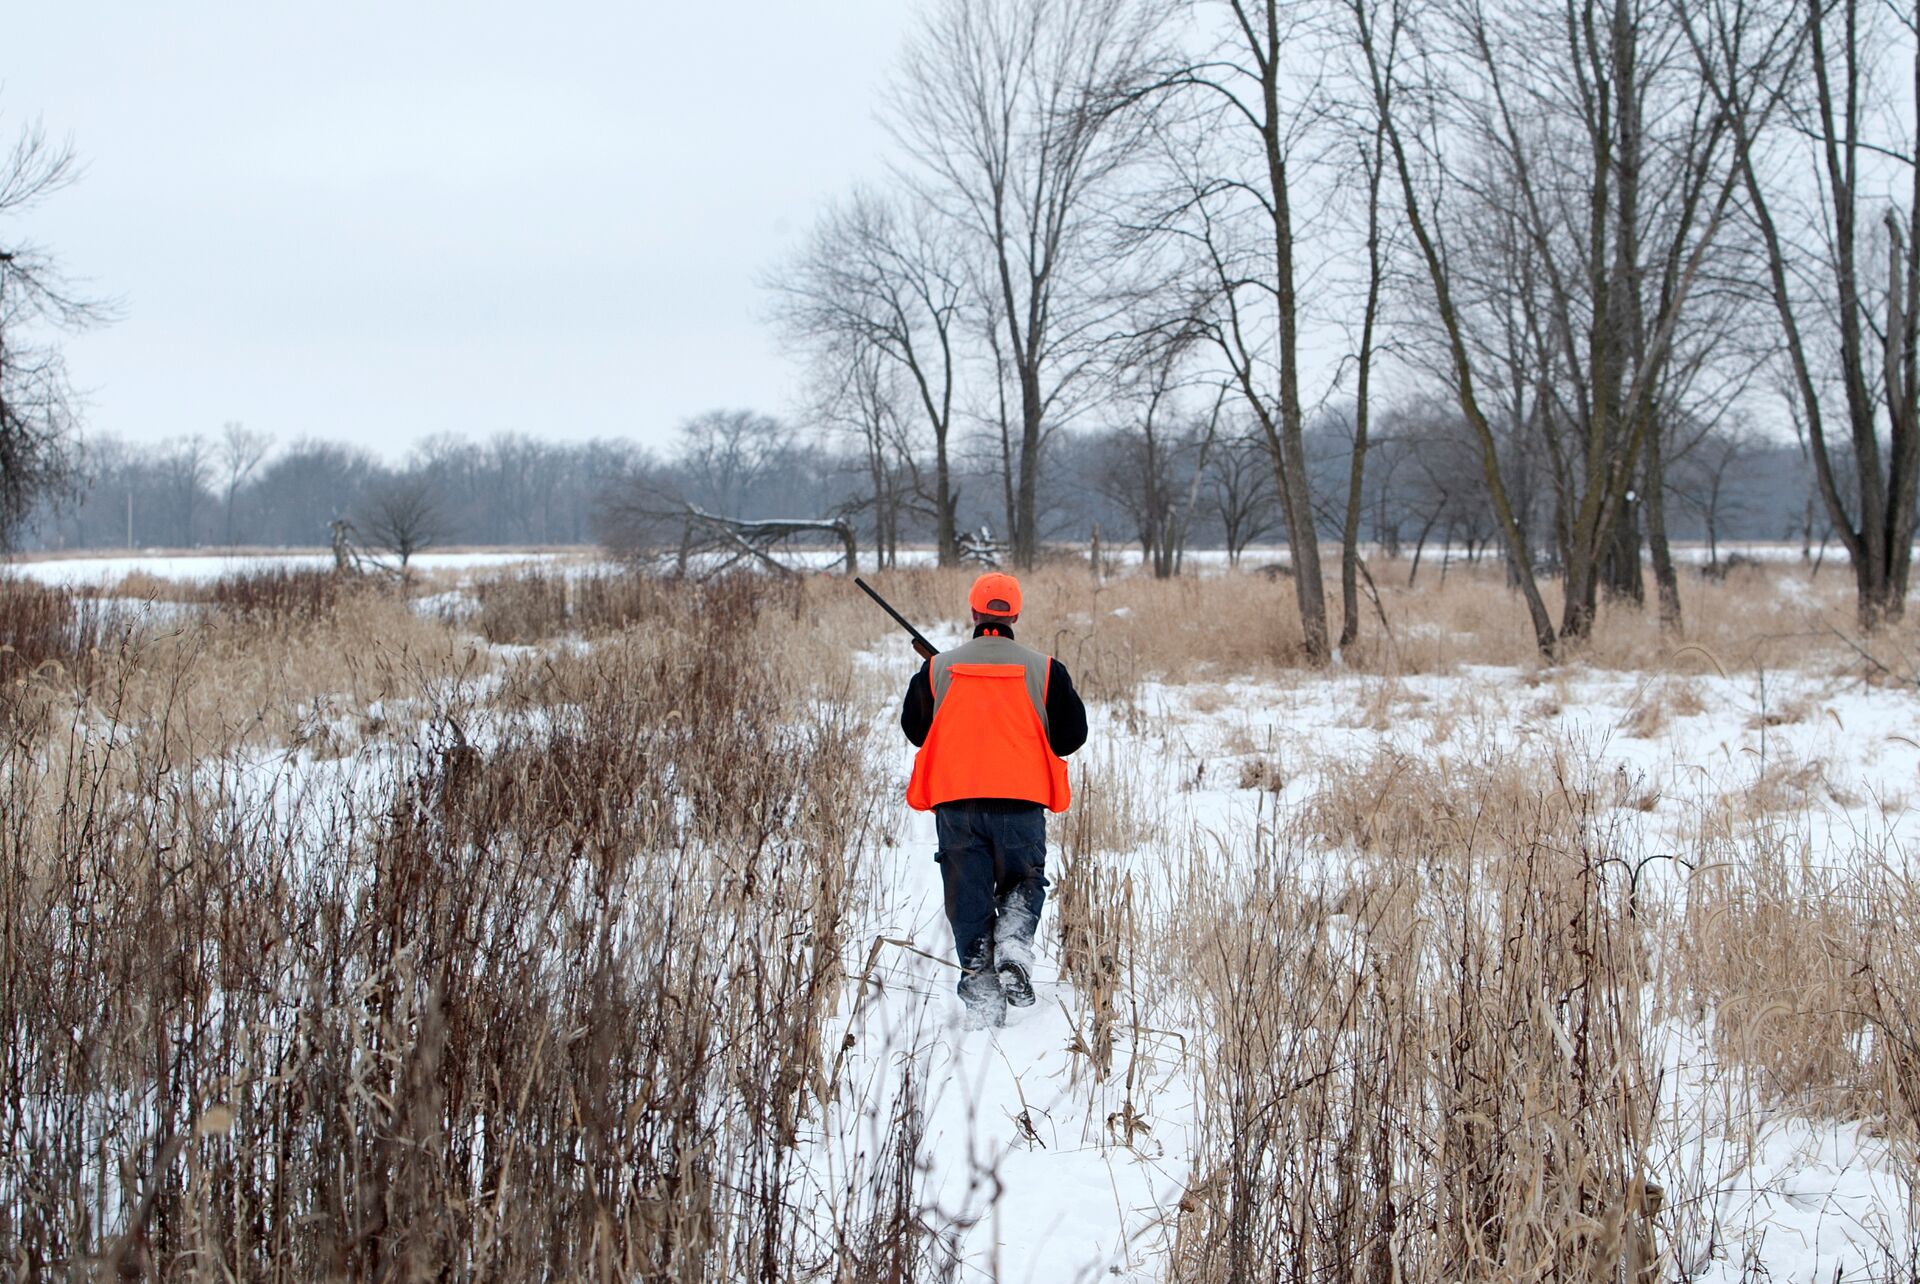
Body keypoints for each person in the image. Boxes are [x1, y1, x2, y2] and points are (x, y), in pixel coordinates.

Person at [901, 572, 1088, 1028]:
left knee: (967, 895)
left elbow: (915, 731)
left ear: (973, 613)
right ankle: (1014, 945)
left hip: (957, 804)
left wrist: (945, 686)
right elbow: (1070, 738)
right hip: (1021, 803)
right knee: (1024, 880)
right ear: (1016, 615)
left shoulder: (937, 669)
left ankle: (982, 991)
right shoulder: (1046, 670)